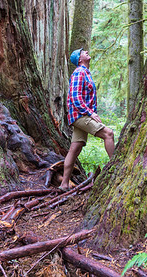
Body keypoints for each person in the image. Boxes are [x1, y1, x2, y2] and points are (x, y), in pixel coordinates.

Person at [59, 48, 115, 191]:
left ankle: (64, 184)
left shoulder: (85, 73)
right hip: (80, 115)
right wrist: (90, 113)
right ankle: (116, 167)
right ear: (79, 59)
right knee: (108, 134)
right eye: (83, 52)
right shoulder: (79, 72)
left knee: (75, 148)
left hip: (80, 115)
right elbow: (75, 97)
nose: (86, 52)